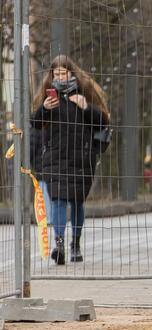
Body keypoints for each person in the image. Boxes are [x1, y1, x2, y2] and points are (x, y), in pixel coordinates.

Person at [31, 55, 109, 264]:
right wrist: (45, 108)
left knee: (76, 201)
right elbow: (35, 124)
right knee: (57, 200)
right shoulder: (48, 96)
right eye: (56, 74)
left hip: (81, 158)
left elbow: (102, 122)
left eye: (63, 73)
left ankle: (75, 243)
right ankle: (59, 244)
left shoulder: (84, 91)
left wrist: (86, 107)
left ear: (72, 73)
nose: (59, 77)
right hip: (55, 157)